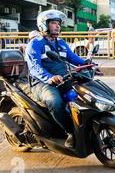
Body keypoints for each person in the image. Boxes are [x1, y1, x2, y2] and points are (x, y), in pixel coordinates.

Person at [25, 10, 91, 148]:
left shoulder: (61, 43)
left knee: (84, 94)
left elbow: (73, 58)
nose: (57, 26)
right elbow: (34, 68)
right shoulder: (35, 44)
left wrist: (88, 65)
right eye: (53, 23)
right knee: (55, 101)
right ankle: (70, 132)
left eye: (58, 23)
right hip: (42, 83)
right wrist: (50, 78)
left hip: (64, 78)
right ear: (44, 25)